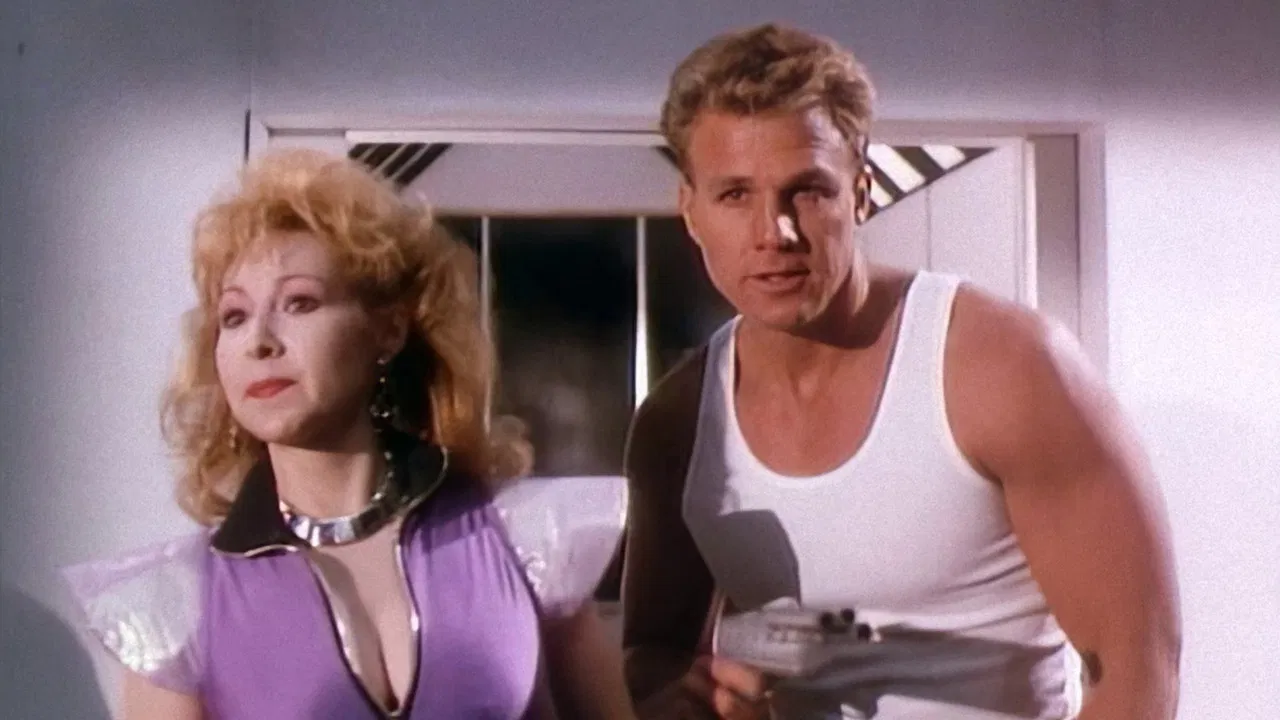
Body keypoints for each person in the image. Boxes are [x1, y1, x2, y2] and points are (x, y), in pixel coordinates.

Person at [620, 23, 1181, 720]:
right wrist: (690, 698)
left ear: (860, 192)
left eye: (808, 191)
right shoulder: (676, 421)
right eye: (736, 195)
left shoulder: (1003, 366)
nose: (776, 232)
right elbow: (651, 654)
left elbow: (1136, 664)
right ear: (690, 209)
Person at [63, 149, 636, 719]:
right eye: (234, 316)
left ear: (388, 331)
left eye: (299, 303)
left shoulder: (525, 542)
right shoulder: (178, 607)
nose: (260, 341)